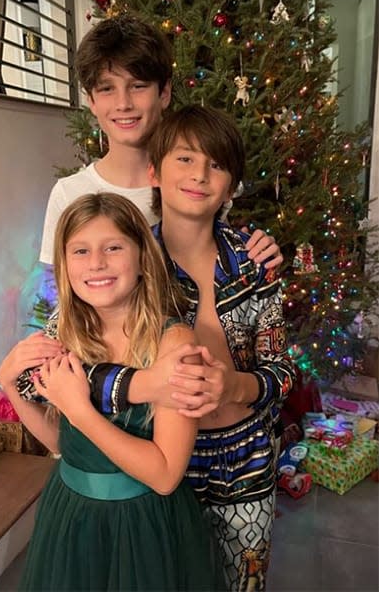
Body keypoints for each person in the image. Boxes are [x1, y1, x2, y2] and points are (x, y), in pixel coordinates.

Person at [71, 105, 296, 591]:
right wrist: (143, 384)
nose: (199, 175)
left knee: (245, 582)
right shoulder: (125, 263)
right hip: (164, 462)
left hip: (249, 460)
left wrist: (235, 385)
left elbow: (282, 371)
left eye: (216, 164)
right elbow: (65, 360)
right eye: (185, 159)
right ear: (154, 170)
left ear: (232, 182)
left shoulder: (256, 263)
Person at [0, 192, 225, 591]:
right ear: (65, 265)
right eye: (80, 251)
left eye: (113, 247)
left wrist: (80, 410)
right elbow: (64, 444)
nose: (97, 263)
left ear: (141, 257)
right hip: (69, 514)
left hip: (141, 526)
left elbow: (165, 475)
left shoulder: (173, 344)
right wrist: (13, 387)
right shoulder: (67, 334)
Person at [39, 15, 282, 275]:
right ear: (92, 101)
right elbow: (53, 298)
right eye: (107, 89)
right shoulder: (70, 193)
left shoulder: (193, 183)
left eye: (138, 86)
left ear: (164, 93)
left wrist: (257, 251)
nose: (124, 104)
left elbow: (218, 258)